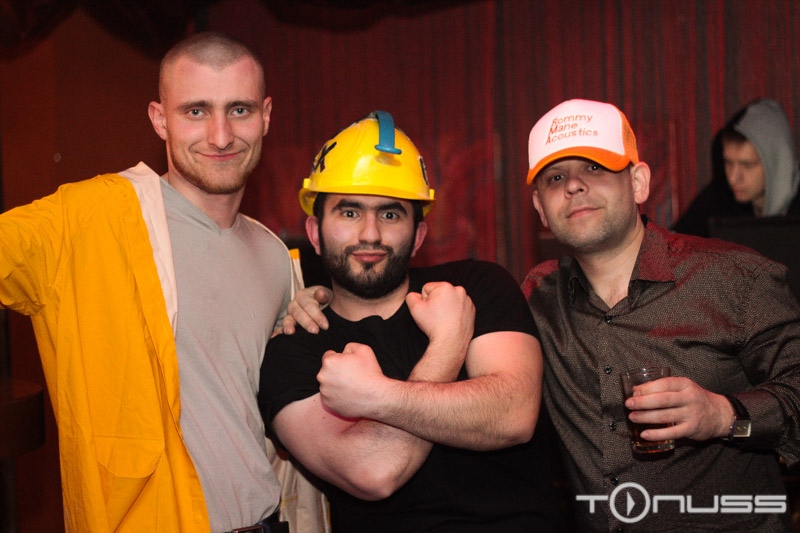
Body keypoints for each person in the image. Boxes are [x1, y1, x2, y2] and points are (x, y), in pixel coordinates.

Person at [0, 32, 302, 532]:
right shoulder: (91, 218)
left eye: (240, 110)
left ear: (266, 115)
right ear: (160, 119)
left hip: (266, 521)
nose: (221, 136)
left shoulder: (273, 254)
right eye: (196, 111)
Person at [258, 111, 562, 532]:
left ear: (418, 235)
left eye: (390, 215)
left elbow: (512, 416)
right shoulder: (294, 348)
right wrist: (448, 345)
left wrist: (373, 396)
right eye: (349, 213)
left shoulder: (475, 286)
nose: (370, 234)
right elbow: (373, 472)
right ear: (314, 232)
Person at [522, 98, 800, 531]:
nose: (574, 185)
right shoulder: (536, 300)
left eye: (595, 167)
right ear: (540, 207)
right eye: (555, 177)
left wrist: (723, 415)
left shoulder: (736, 278)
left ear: (638, 182)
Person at [673, 98, 800, 237]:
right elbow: (672, 242)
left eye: (747, 165)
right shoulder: (718, 199)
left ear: (777, 163)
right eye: (728, 163)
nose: (733, 178)